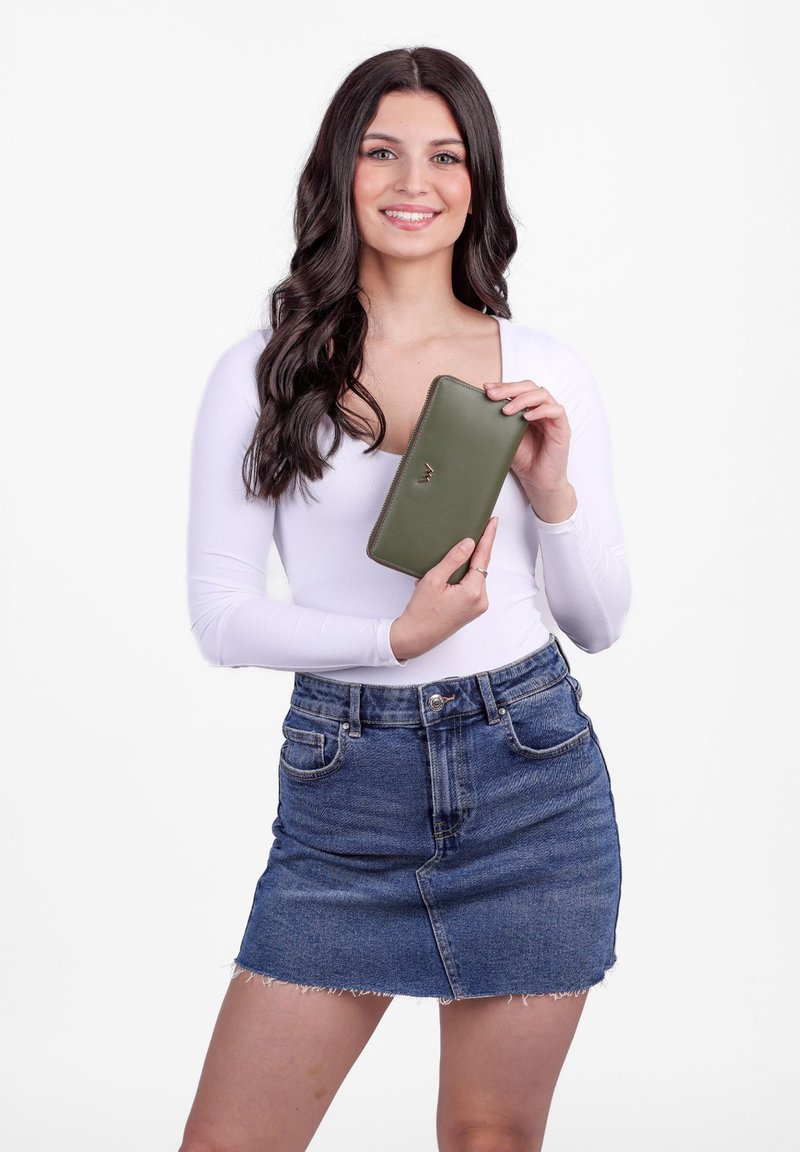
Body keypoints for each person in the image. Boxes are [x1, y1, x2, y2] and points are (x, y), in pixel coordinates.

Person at [181, 45, 631, 1152]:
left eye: (442, 155)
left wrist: (551, 489)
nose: (410, 182)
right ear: (340, 171)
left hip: (531, 780)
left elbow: (600, 622)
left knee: (489, 1138)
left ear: (476, 180)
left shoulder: (541, 368)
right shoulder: (263, 372)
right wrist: (393, 636)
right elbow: (221, 614)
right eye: (380, 152)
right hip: (347, 793)